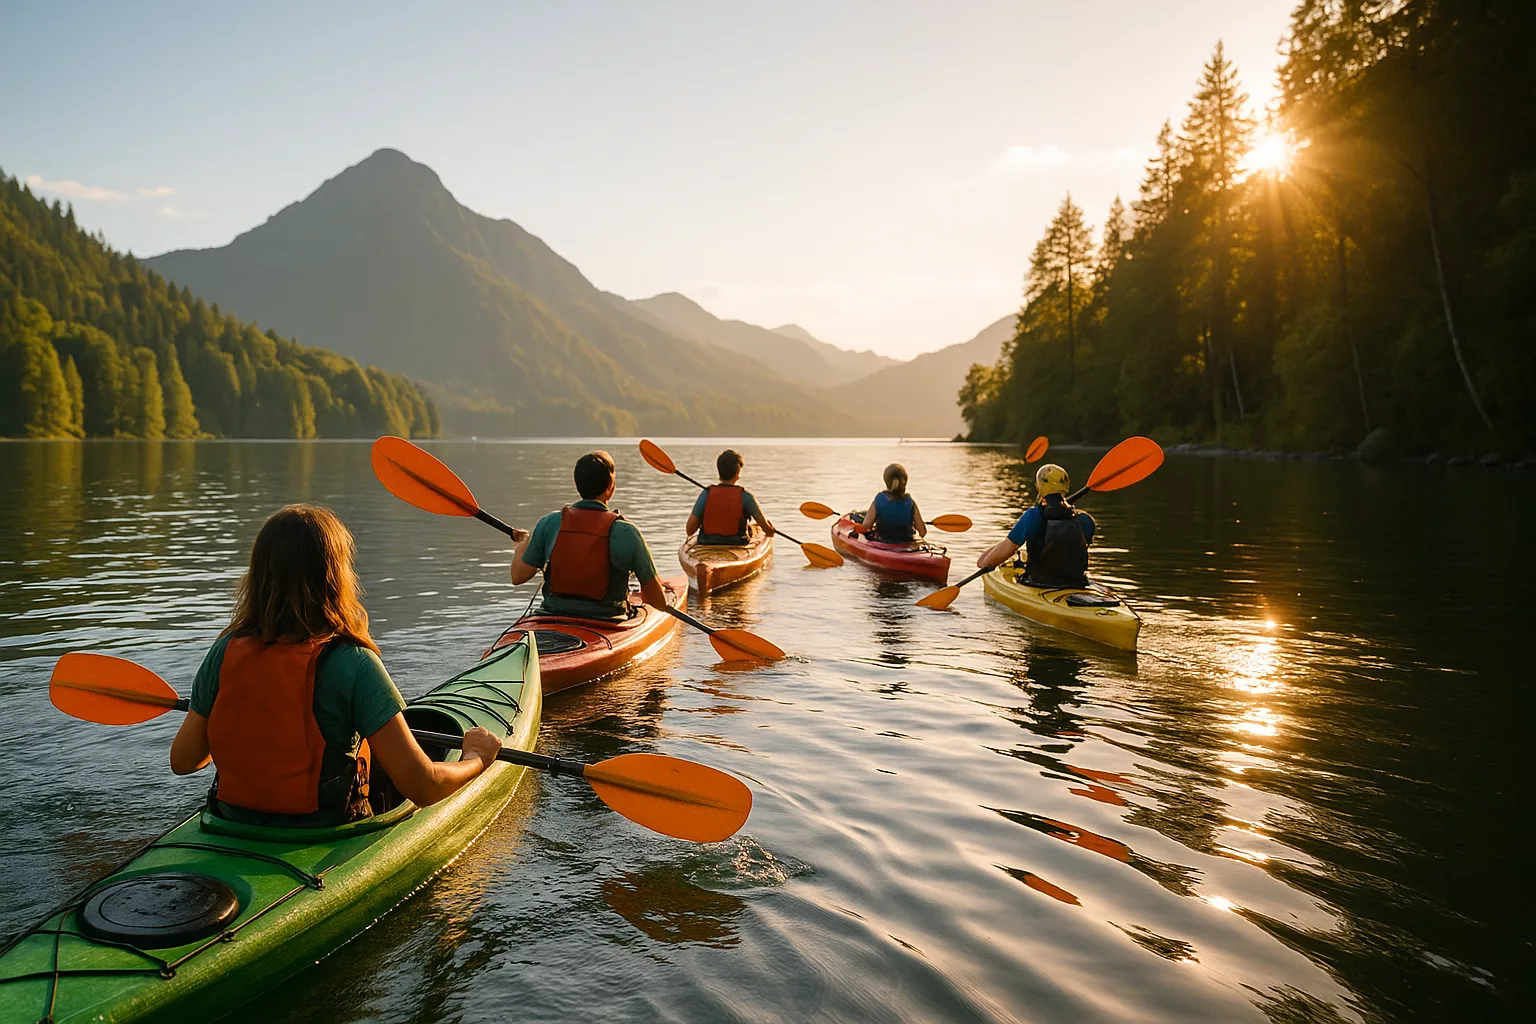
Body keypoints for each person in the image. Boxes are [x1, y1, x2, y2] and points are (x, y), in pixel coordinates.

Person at [170, 504, 503, 827]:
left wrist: (244, 724)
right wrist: (476, 758)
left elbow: (184, 761)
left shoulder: (225, 650)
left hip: (231, 822)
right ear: (337, 577)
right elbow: (425, 787)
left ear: (258, 575)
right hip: (326, 829)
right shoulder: (354, 663)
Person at [512, 450, 670, 621]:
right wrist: (648, 594)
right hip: (607, 620)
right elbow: (659, 603)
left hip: (553, 616)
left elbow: (518, 576)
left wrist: (523, 544)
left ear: (577, 484)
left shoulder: (549, 523)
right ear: (611, 485)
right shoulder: (628, 533)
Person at [976, 463, 1095, 587]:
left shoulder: (1033, 516)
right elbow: (1068, 554)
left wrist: (1008, 542)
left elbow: (985, 563)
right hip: (1077, 583)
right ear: (1066, 487)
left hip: (1040, 583)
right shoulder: (1085, 520)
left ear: (1039, 488)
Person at [686, 449, 776, 545]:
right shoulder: (746, 497)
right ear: (737, 473)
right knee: (751, 529)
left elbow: (690, 530)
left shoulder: (706, 494)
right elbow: (766, 529)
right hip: (737, 541)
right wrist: (771, 530)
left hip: (707, 541)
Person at [860, 463, 926, 544]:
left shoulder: (879, 499)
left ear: (886, 481)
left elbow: (866, 525)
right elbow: (923, 532)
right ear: (905, 482)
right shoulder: (910, 502)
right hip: (907, 543)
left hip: (883, 542)